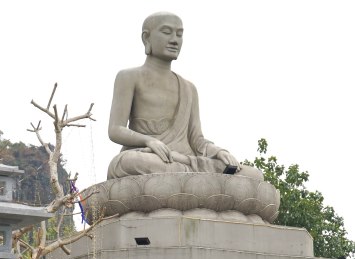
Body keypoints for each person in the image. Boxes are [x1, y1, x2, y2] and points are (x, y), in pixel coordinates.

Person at [106, 12, 263, 181]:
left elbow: (196, 139)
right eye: (167, 32)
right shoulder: (129, 77)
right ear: (146, 38)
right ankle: (203, 182)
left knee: (254, 176)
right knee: (127, 162)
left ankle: (194, 178)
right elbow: (115, 130)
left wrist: (218, 152)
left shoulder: (189, 88)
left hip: (188, 161)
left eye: (179, 34)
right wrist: (149, 141)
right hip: (152, 158)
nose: (174, 40)